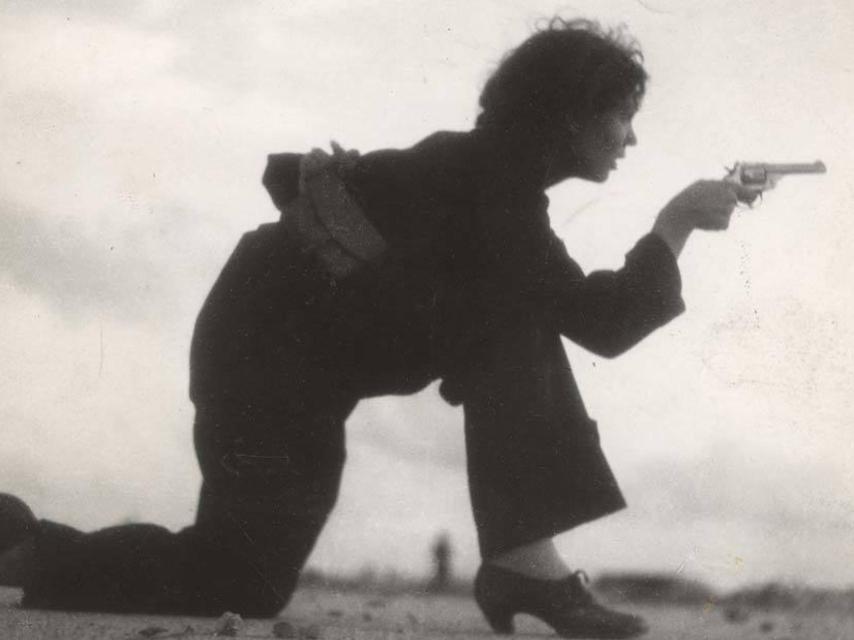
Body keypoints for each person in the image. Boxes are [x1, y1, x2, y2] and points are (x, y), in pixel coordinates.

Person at [0, 17, 752, 638]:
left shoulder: (489, 174)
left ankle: (526, 565)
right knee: (236, 580)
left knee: (243, 577)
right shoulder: (492, 183)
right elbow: (601, 323)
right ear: (570, 112)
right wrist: (676, 223)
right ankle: (20, 548)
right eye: (622, 116)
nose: (630, 139)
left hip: (279, 360)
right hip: (263, 368)